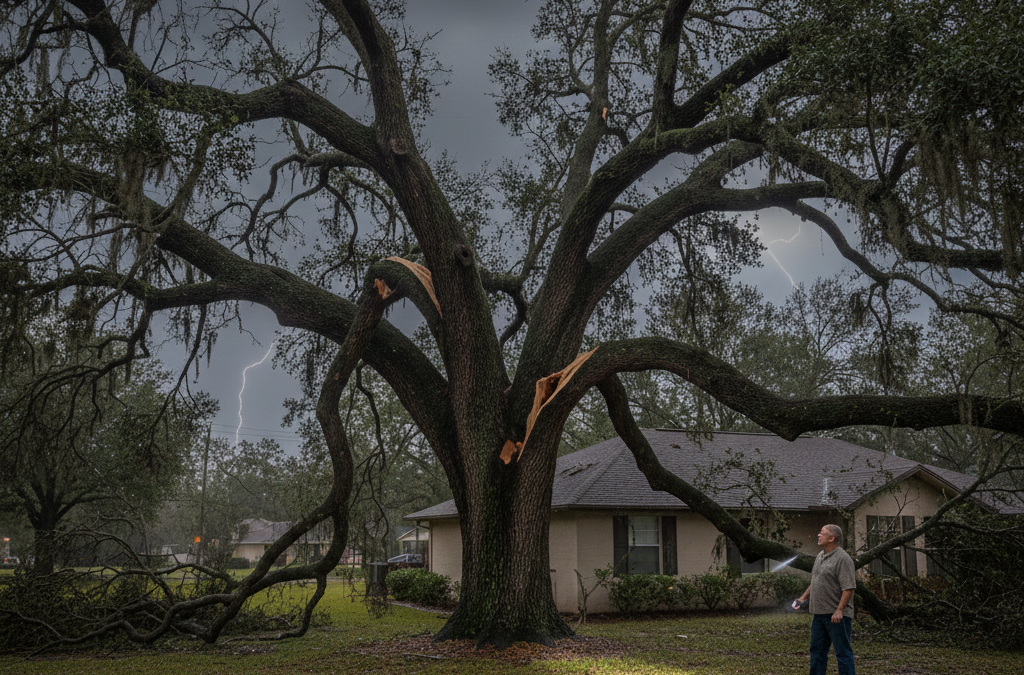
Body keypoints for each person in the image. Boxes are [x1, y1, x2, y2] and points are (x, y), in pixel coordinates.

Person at [793, 524, 857, 675]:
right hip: (819, 614)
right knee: (817, 651)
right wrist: (802, 598)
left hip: (836, 616)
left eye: (822, 533)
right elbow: (816, 581)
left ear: (831, 538)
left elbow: (848, 588)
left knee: (842, 652)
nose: (818, 535)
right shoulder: (820, 556)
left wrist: (839, 610)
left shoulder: (843, 559)